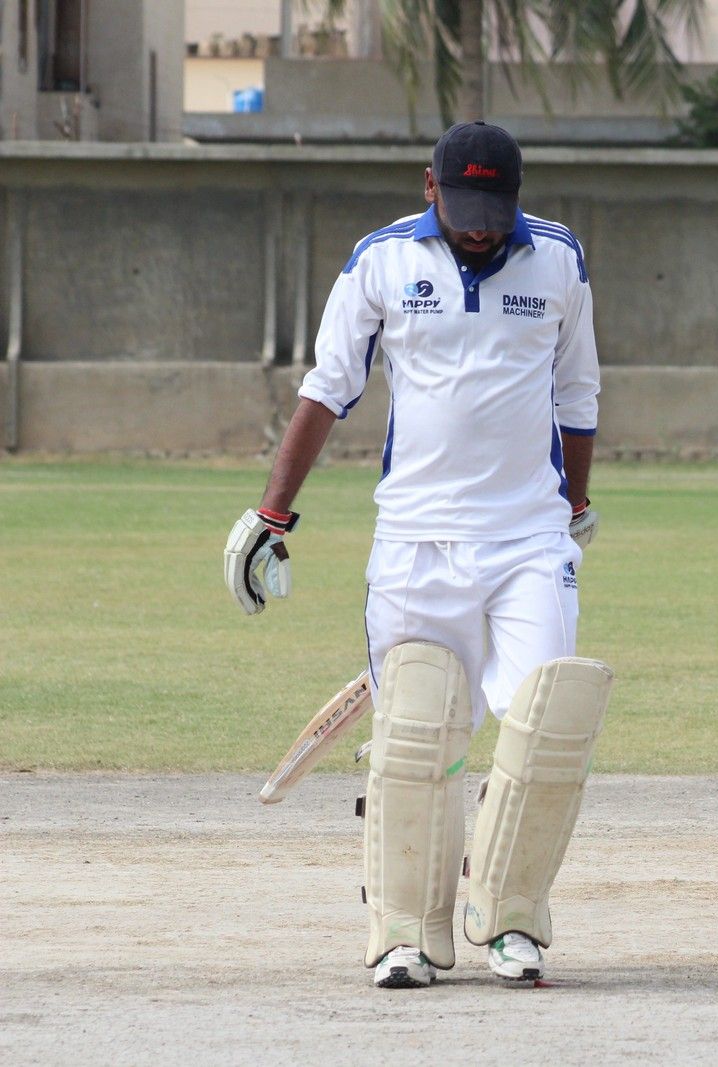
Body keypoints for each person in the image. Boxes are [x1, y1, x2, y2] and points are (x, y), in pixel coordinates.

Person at [223, 121, 608, 987]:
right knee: (415, 738)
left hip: (527, 537)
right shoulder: (382, 260)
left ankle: (511, 918)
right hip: (413, 541)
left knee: (548, 721)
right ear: (429, 188)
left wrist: (575, 504)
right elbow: (328, 387)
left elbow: (578, 393)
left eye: (495, 213)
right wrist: (272, 515)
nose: (481, 231)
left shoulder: (557, 259)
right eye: (464, 212)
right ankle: (406, 929)